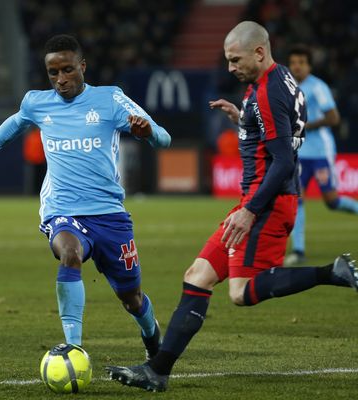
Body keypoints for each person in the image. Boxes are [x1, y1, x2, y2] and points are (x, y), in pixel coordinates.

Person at [106, 21, 357, 393]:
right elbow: (281, 131)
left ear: (259, 52)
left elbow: (284, 160)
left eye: (235, 59)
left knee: (241, 292)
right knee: (198, 275)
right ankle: (157, 371)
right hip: (257, 200)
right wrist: (244, 119)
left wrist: (251, 210)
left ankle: (329, 272)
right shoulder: (281, 79)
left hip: (266, 204)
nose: (230, 68)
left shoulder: (270, 92)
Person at [0, 34, 171, 358]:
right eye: (53, 73)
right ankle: (73, 346)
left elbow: (164, 138)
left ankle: (151, 335)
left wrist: (149, 133)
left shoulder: (110, 100)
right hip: (62, 210)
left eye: (68, 70)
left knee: (132, 298)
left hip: (109, 214)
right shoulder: (37, 103)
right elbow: (14, 124)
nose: (60, 80)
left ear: (82, 66)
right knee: (69, 252)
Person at [284, 45, 358, 266]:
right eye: (293, 62)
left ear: (309, 65)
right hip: (299, 152)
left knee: (332, 202)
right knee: (297, 199)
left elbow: (334, 118)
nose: (297, 67)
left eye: (301, 63)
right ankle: (298, 250)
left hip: (320, 152)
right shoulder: (287, 88)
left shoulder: (318, 87)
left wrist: (304, 125)